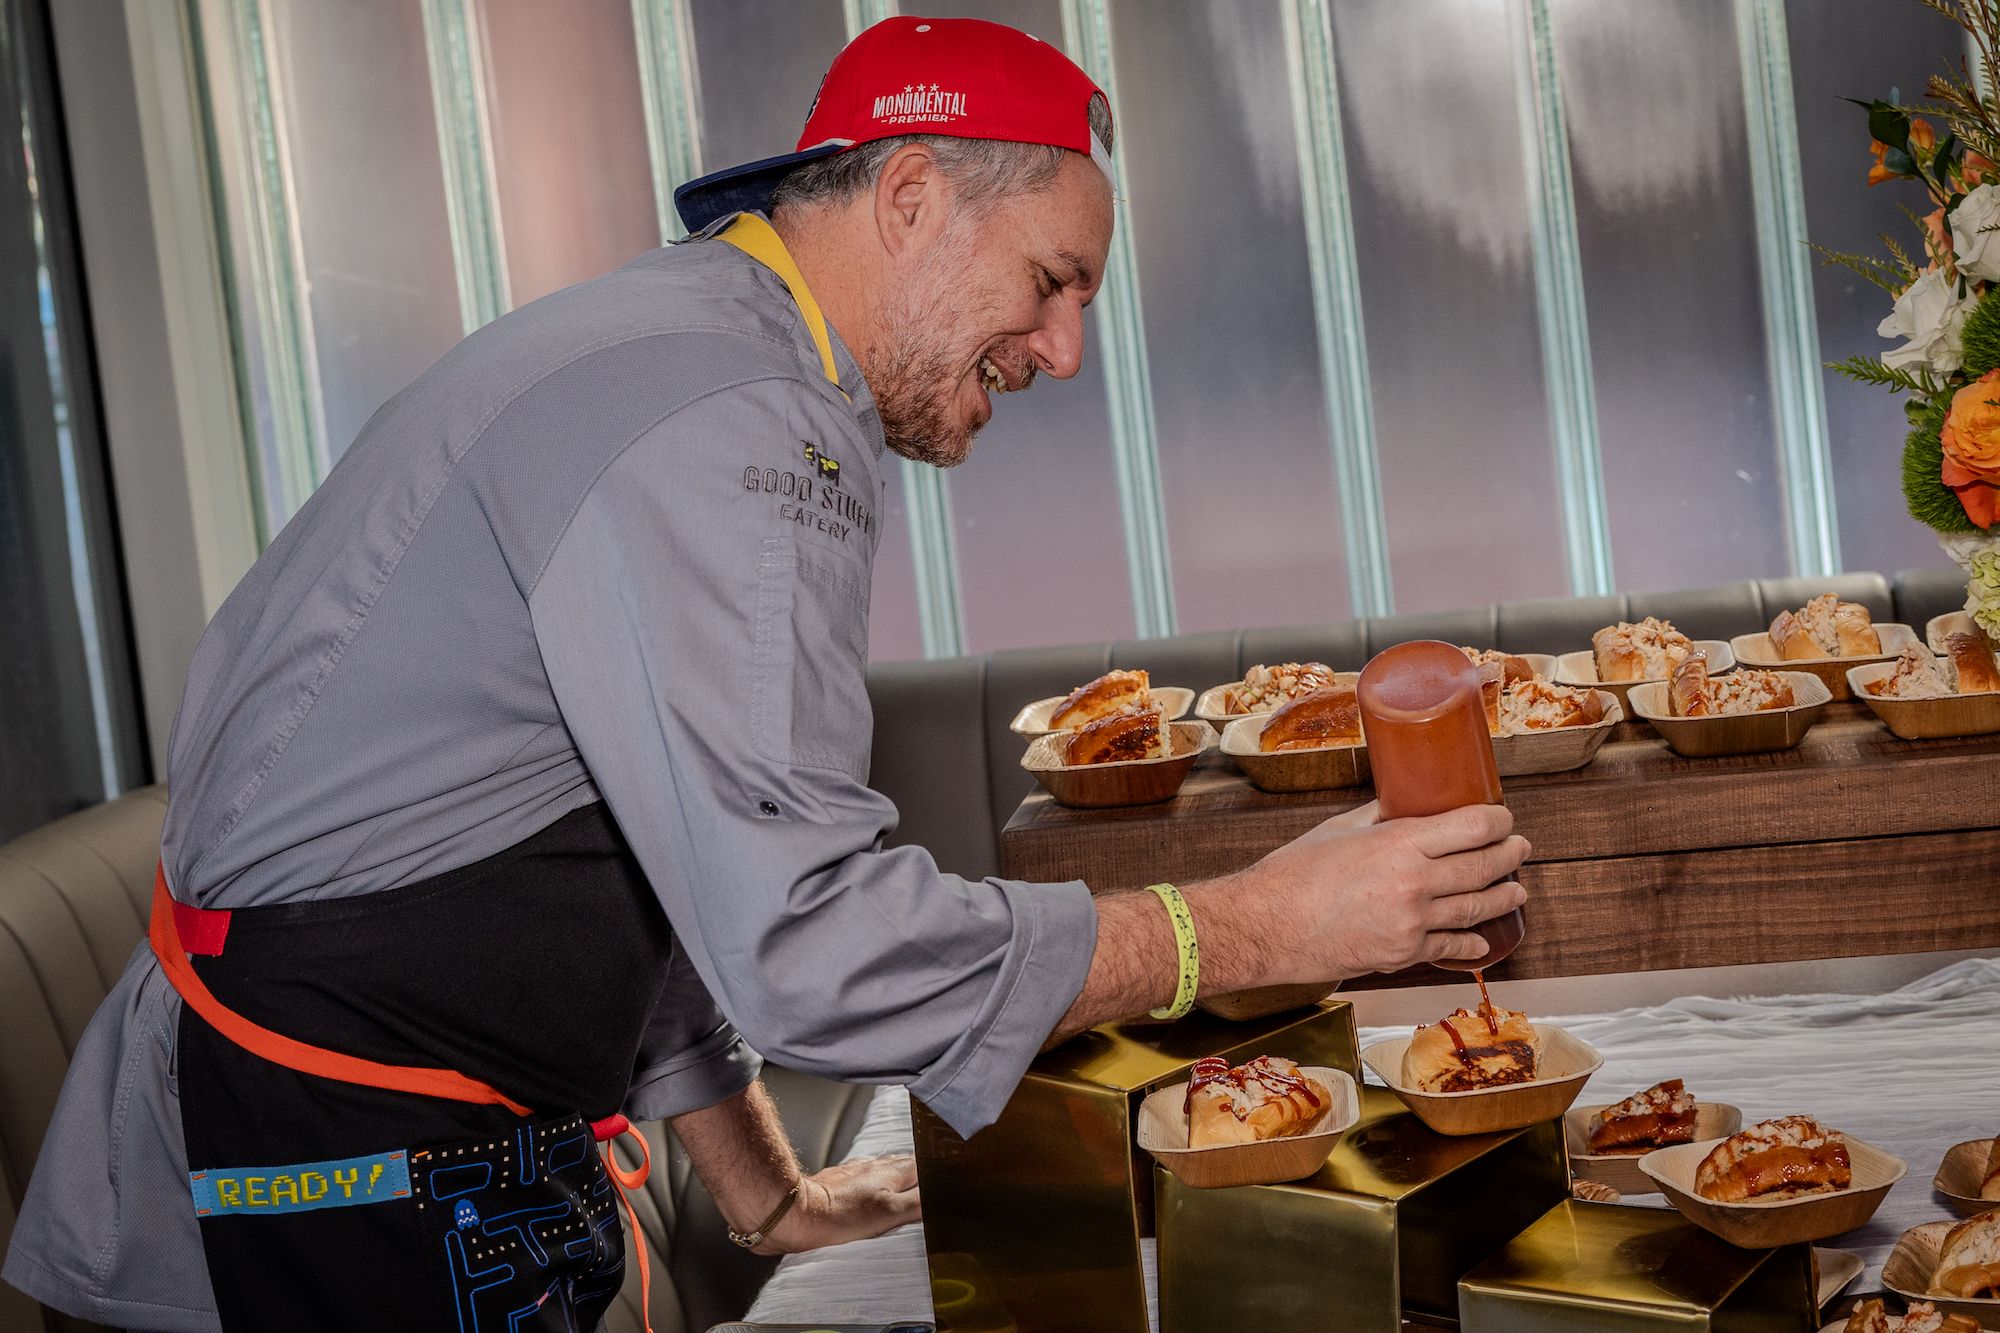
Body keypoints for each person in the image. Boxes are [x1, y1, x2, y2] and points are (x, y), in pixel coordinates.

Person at [4, 16, 1528, 1333]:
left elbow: (638, 826)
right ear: (915, 196)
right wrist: (1251, 925)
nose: (1066, 353)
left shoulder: (714, 356)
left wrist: (759, 1188)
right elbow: (810, 939)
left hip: (390, 1119)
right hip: (352, 1154)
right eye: (1052, 283)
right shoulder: (736, 419)